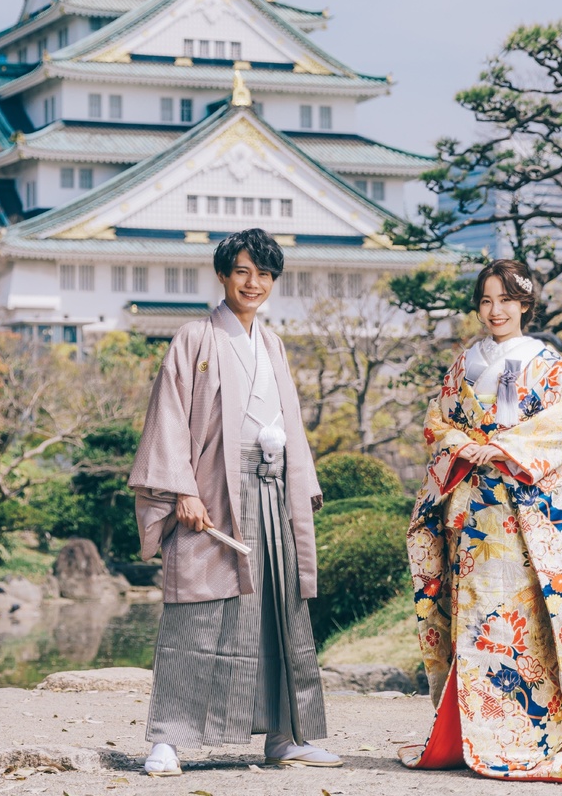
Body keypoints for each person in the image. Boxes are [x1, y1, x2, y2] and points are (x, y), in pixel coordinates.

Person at [399, 259, 562, 783]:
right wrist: (461, 444)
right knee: (472, 617)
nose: (495, 311)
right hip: (471, 507)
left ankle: (525, 730)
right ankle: (469, 730)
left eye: (505, 300)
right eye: (486, 301)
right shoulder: (465, 362)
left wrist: (505, 446)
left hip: (522, 512)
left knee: (520, 618)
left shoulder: (545, 361)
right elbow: (437, 420)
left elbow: (561, 427)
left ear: (525, 304)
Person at [129, 228, 341, 776]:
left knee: (278, 609)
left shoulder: (271, 344)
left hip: (272, 486)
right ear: (223, 274)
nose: (254, 283)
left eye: (265, 274)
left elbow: (290, 422)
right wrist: (181, 490)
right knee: (198, 607)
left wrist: (299, 483)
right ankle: (168, 741)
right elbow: (170, 416)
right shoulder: (194, 337)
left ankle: (286, 736)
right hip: (213, 490)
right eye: (243, 271)